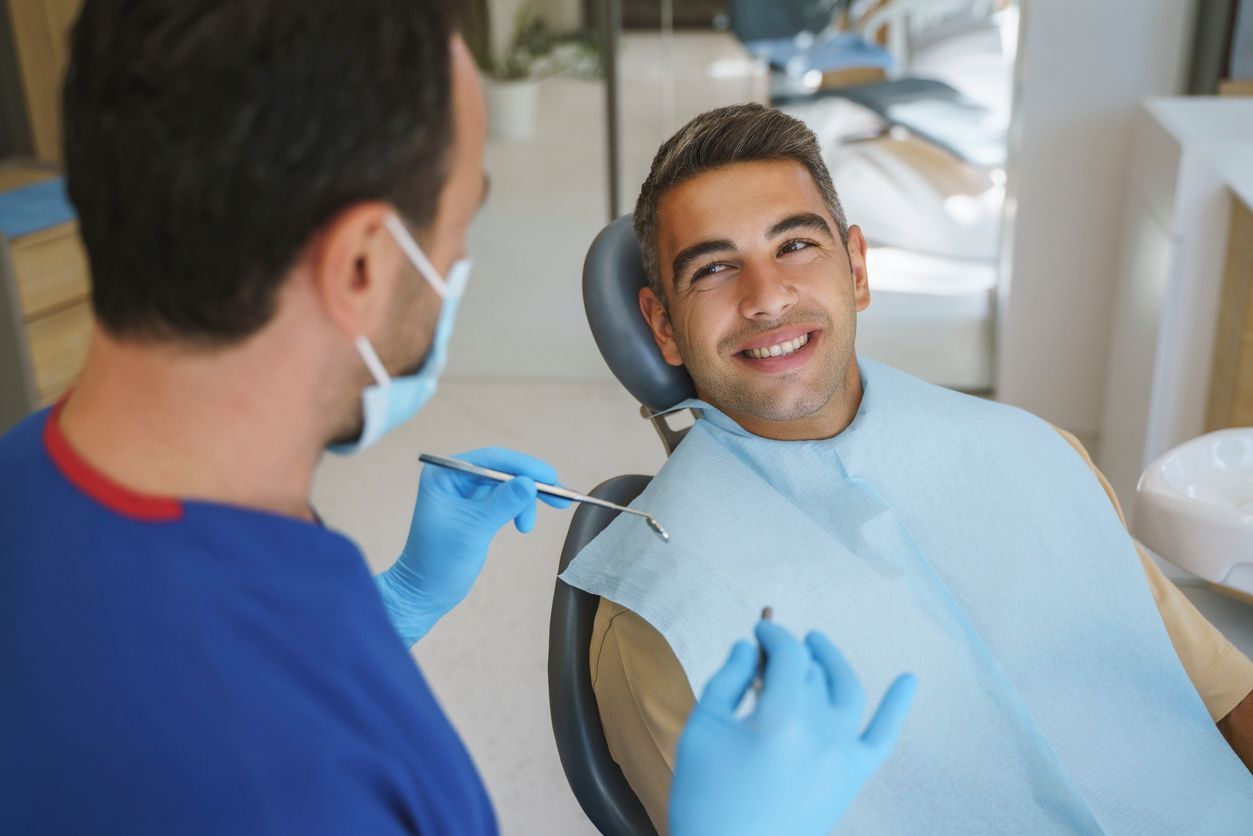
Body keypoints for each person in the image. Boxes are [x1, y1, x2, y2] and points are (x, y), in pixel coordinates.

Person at [0, 3, 915, 834]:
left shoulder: (40, 476)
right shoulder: (304, 786)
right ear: (362, 267)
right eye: (458, 222)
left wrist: (388, 605)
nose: (461, 259)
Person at [561, 103, 1253, 834]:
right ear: (664, 325)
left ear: (855, 268)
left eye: (794, 245)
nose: (765, 298)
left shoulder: (1038, 455)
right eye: (713, 268)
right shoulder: (662, 623)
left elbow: (1229, 698)